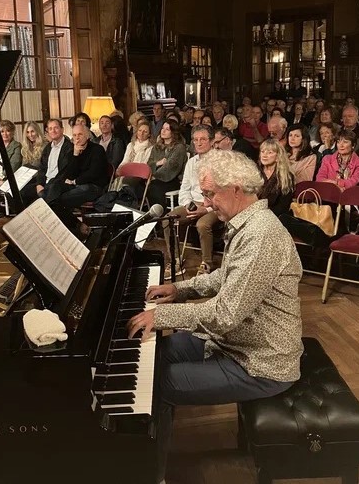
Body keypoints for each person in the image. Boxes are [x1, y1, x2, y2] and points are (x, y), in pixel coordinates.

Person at [126, 149, 303, 484]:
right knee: (158, 354)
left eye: (209, 194)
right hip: (237, 343)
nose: (206, 203)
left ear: (236, 188)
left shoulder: (261, 236)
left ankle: (153, 475)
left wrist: (161, 316)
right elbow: (224, 278)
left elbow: (225, 313)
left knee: (156, 384)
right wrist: (180, 290)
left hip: (262, 361)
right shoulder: (248, 222)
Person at [163, 125, 220, 279]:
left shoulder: (220, 161)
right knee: (168, 219)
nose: (198, 143)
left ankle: (207, 263)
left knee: (202, 224)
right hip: (193, 202)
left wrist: (205, 209)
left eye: (203, 139)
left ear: (212, 141)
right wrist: (188, 205)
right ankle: (175, 260)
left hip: (214, 204)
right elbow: (184, 188)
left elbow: (222, 193)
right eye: (195, 140)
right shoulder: (191, 162)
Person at [20, 119, 73, 205]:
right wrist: (39, 184)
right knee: (22, 192)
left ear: (62, 130)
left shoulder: (69, 147)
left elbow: (66, 170)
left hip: (59, 183)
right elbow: (42, 169)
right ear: (47, 131)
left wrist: (49, 183)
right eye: (50, 128)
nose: (53, 131)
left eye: (56, 128)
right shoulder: (48, 148)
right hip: (45, 182)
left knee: (51, 188)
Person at [55, 124, 109, 209]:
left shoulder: (97, 149)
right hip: (76, 185)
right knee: (53, 187)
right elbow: (70, 175)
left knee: (60, 199)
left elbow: (93, 173)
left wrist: (74, 181)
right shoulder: (72, 152)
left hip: (94, 186)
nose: (77, 138)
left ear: (87, 135)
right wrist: (75, 155)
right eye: (74, 135)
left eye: (80, 134)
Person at [146, 119, 187, 209]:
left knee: (154, 188)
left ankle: (161, 218)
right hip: (154, 178)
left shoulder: (179, 148)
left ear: (173, 133)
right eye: (162, 128)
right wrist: (158, 163)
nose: (163, 131)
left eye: (167, 129)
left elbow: (170, 167)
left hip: (172, 179)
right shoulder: (156, 147)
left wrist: (153, 174)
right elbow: (148, 164)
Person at [257, 138, 295, 216]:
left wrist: (264, 216)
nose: (264, 155)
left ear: (278, 157)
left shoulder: (286, 176)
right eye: (262, 151)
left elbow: (283, 206)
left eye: (270, 152)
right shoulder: (254, 172)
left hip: (274, 217)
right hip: (253, 214)